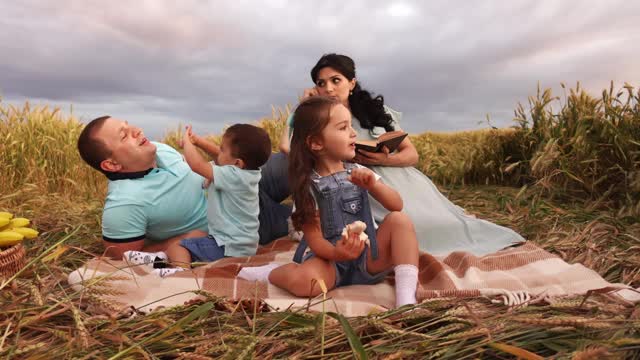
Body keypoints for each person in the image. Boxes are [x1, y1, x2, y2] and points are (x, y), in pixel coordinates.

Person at [280, 53, 524, 256]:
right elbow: (289, 148)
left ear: (352, 83)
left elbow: (411, 154)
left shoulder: (376, 112)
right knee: (408, 227)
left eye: (336, 80)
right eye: (321, 83)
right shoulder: (316, 120)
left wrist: (384, 158)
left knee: (440, 223)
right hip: (359, 184)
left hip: (398, 178)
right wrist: (301, 108)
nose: (329, 88)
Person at [239, 96, 420, 308]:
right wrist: (337, 253)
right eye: (343, 128)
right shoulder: (308, 185)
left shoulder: (359, 172)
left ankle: (406, 299)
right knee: (305, 283)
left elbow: (396, 205)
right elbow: (315, 239)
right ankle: (272, 273)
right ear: (316, 142)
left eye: (351, 125)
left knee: (400, 221)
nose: (353, 133)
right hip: (330, 261)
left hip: (369, 257)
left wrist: (374, 186)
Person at [76, 116, 288, 264]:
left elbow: (215, 164)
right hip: (242, 225)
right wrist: (181, 239)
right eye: (124, 135)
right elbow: (124, 256)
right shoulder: (124, 204)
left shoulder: (156, 148)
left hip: (241, 180)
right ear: (111, 164)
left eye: (128, 125)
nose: (137, 130)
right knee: (307, 219)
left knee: (299, 161)